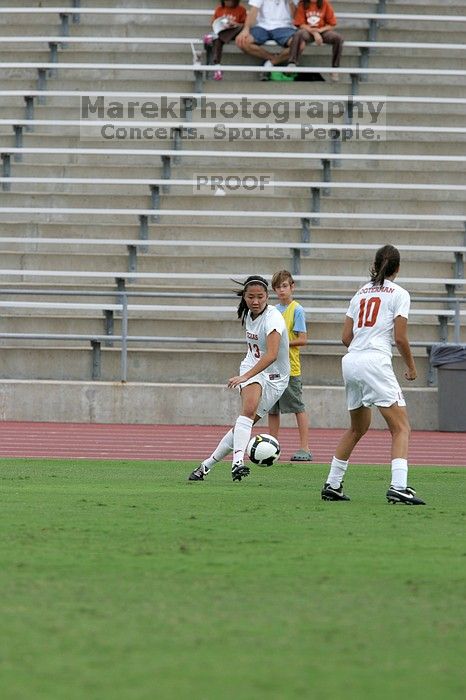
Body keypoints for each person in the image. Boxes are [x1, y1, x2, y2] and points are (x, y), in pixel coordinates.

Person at [321, 244, 426, 505]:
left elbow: (345, 337)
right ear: (397, 269)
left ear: (375, 264)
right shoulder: (400, 294)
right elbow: (400, 338)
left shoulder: (360, 293)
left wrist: (361, 348)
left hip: (352, 360)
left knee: (358, 428)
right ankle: (399, 486)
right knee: (401, 427)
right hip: (374, 361)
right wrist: (412, 367)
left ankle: (332, 484)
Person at [189, 275, 290, 482]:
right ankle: (238, 463)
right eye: (251, 297)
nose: (255, 301)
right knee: (248, 411)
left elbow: (271, 355)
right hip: (252, 369)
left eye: (260, 297)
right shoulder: (249, 314)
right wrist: (247, 376)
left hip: (276, 378)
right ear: (244, 297)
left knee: (242, 426)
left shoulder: (273, 318)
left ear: (267, 296)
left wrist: (244, 376)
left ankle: (206, 465)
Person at [268, 270, 313, 461]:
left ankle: (305, 447)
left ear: (292, 286)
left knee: (297, 407)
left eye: (284, 286)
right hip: (272, 367)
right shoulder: (271, 310)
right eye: (278, 287)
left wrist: (283, 343)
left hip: (290, 368)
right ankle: (272, 447)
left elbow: (303, 339)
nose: (281, 290)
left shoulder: (297, 310)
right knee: (272, 409)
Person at [235, 0, 299, 80]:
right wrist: (246, 29)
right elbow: (253, 11)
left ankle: (270, 63)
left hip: (285, 27)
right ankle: (274, 58)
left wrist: (290, 2)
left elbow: (296, 17)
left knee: (300, 44)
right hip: (262, 26)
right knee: (243, 42)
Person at [288, 0, 343, 81]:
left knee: (338, 38)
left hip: (322, 31)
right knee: (298, 34)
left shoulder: (325, 3)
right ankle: (292, 62)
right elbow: (301, 24)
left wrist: (320, 30)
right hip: (308, 31)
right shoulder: (302, 3)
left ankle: (335, 68)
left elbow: (332, 24)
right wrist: (314, 33)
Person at [204, 0, 247, 81]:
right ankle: (217, 67)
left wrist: (234, 23)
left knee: (218, 36)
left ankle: (214, 36)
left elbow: (244, 25)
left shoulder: (241, 9)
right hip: (223, 31)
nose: (228, 2)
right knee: (217, 40)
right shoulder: (219, 9)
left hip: (235, 33)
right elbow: (214, 23)